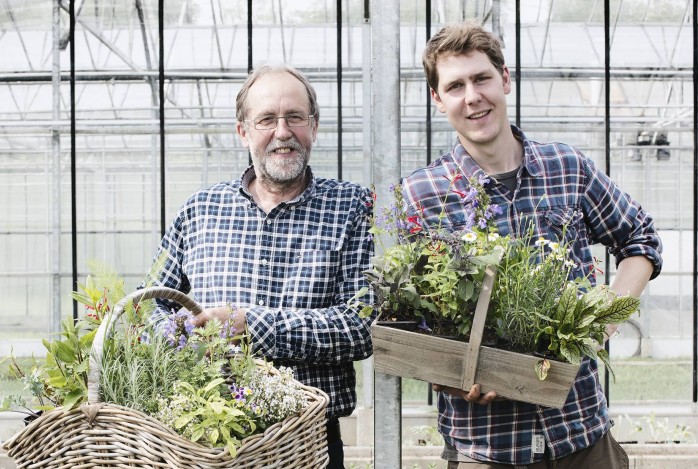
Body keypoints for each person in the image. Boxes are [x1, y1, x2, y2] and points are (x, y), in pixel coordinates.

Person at [401, 21, 662, 468]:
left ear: (505, 79)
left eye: (482, 78)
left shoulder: (567, 167)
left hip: (581, 436)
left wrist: (601, 323)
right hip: (486, 448)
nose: (472, 96)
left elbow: (640, 238)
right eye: (455, 85)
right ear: (437, 99)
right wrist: (449, 375)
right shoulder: (423, 195)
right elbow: (416, 318)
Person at [143, 63, 375, 468]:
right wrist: (178, 337)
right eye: (266, 118)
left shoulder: (352, 207)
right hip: (205, 439)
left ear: (314, 126)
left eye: (295, 117)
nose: (282, 132)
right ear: (243, 131)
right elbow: (151, 302)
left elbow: (362, 327)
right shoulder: (200, 210)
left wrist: (249, 325)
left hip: (309, 444)